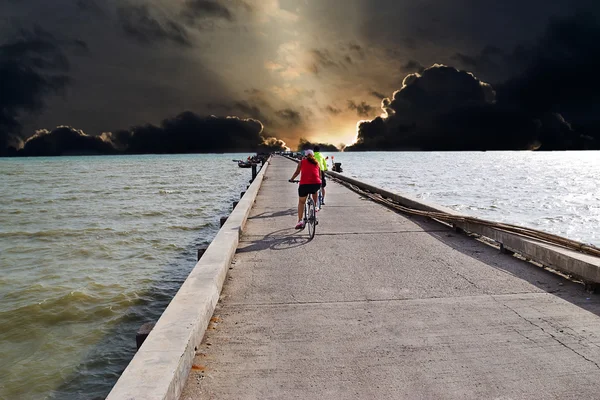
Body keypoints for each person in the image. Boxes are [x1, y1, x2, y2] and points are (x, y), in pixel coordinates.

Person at [289, 150, 321, 229]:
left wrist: (292, 179)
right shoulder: (317, 163)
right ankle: (315, 207)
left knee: (301, 202)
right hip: (316, 184)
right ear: (313, 156)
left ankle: (300, 221)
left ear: (305, 156)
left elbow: (297, 172)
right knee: (315, 190)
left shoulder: (302, 162)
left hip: (304, 185)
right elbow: (319, 176)